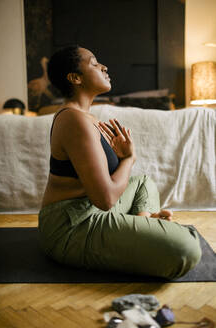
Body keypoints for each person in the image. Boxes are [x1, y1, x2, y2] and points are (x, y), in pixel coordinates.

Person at [38, 45, 201, 279]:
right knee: (187, 248)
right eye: (94, 63)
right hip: (70, 227)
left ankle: (144, 221)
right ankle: (148, 227)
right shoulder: (74, 121)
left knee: (143, 182)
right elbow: (106, 199)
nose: (104, 67)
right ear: (75, 78)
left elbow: (107, 188)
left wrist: (124, 160)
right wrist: (129, 158)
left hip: (90, 211)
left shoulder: (87, 118)